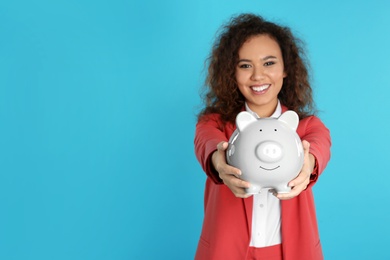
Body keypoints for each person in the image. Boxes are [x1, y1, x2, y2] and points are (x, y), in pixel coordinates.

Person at [194, 13, 331, 260]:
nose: (258, 76)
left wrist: (308, 164)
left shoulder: (306, 126)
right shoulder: (214, 124)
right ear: (231, 73)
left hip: (291, 252)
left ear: (286, 68)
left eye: (269, 63)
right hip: (225, 251)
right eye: (245, 65)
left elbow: (320, 145)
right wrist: (220, 163)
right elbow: (207, 143)